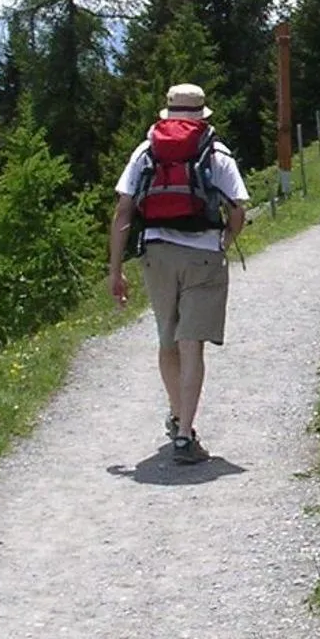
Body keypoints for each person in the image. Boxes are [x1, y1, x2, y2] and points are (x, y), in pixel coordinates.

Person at [108, 83, 250, 463]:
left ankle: (175, 415)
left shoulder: (146, 150)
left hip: (155, 253)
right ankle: (185, 436)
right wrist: (225, 240)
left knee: (167, 339)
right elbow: (238, 208)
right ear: (202, 114)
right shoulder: (215, 152)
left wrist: (115, 269)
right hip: (203, 254)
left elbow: (123, 211)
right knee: (192, 345)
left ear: (167, 114)